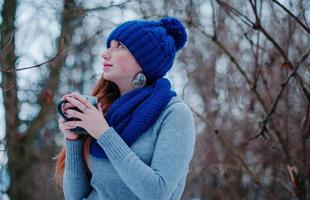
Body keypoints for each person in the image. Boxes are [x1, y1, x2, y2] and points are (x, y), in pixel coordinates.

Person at [55, 16, 196, 200]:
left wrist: (104, 134)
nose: (105, 54)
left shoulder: (173, 114)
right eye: (109, 45)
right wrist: (73, 140)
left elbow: (158, 193)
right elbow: (75, 196)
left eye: (120, 46)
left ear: (144, 60)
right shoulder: (101, 110)